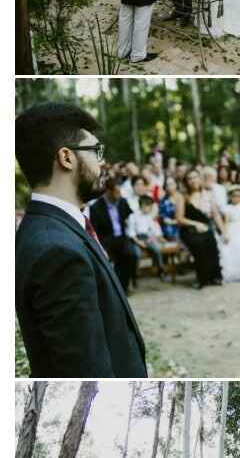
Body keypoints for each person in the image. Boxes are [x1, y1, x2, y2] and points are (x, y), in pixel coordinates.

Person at [15, 103, 147, 378]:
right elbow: (85, 369)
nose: (102, 163)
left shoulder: (52, 230)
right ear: (66, 158)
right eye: (95, 151)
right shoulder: (56, 250)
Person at [176, 169, 226, 289]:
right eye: (189, 178)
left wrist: (224, 231)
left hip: (206, 227)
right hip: (188, 229)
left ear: (200, 178)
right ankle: (202, 279)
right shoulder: (183, 197)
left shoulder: (208, 194)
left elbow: (216, 215)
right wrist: (195, 224)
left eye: (195, 177)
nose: (193, 180)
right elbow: (179, 218)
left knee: (211, 241)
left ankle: (214, 277)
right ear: (186, 182)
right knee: (199, 244)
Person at [89, 177, 138, 293]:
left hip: (121, 237)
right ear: (108, 191)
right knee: (105, 259)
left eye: (120, 192)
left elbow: (130, 215)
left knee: (131, 254)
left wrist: (128, 222)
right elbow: (95, 230)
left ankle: (123, 287)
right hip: (106, 239)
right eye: (117, 192)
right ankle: (111, 289)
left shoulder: (122, 202)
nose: (119, 195)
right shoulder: (96, 207)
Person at [127, 195, 166, 280]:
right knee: (136, 254)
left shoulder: (148, 217)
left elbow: (152, 230)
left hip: (146, 238)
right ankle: (135, 275)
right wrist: (139, 242)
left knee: (156, 250)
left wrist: (151, 239)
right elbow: (131, 232)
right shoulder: (133, 216)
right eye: (150, 207)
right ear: (144, 205)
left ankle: (160, 270)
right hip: (135, 239)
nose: (151, 209)